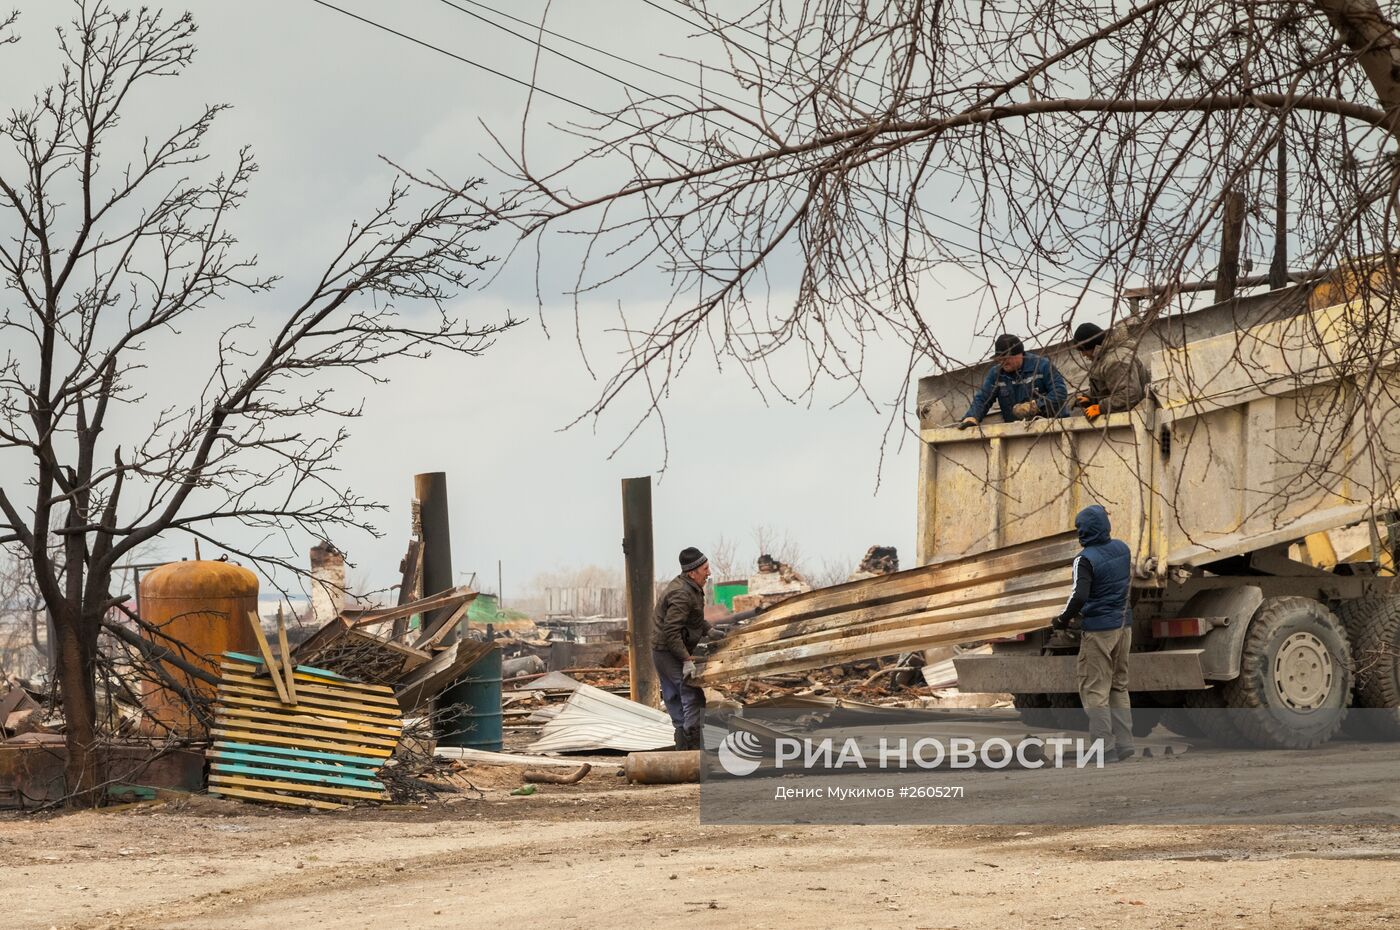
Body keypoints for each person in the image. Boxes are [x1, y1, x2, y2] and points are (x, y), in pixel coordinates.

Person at [1052, 504, 1136, 762]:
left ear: (1085, 530)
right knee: (1118, 685)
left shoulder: (1084, 559)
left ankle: (1104, 748)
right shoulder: (1123, 549)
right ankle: (1125, 744)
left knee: (1094, 690)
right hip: (1124, 627)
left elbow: (1079, 595)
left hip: (1099, 630)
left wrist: (1061, 620)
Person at [653, 546, 720, 750]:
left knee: (674, 697)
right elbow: (671, 632)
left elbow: (691, 618)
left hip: (663, 649)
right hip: (668, 651)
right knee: (691, 696)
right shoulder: (682, 593)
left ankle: (683, 747)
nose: (709, 572)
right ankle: (692, 748)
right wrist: (686, 660)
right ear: (692, 572)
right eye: (705, 569)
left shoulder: (689, 587)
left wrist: (708, 630)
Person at [960, 334, 1068, 427]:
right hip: (1018, 433)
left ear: (1019, 354)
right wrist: (972, 417)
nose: (1003, 363)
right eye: (999, 359)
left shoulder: (1042, 366)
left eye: (1006, 358)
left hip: (1052, 428)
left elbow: (1059, 393)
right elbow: (983, 398)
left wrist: (1036, 406)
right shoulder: (996, 374)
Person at [1070, 322, 1149, 419]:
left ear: (1093, 346)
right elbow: (1108, 387)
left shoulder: (1116, 360)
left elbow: (1130, 394)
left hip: (1139, 418)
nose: (1083, 355)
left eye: (1083, 350)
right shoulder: (1103, 358)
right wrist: (1090, 397)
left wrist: (1100, 408)